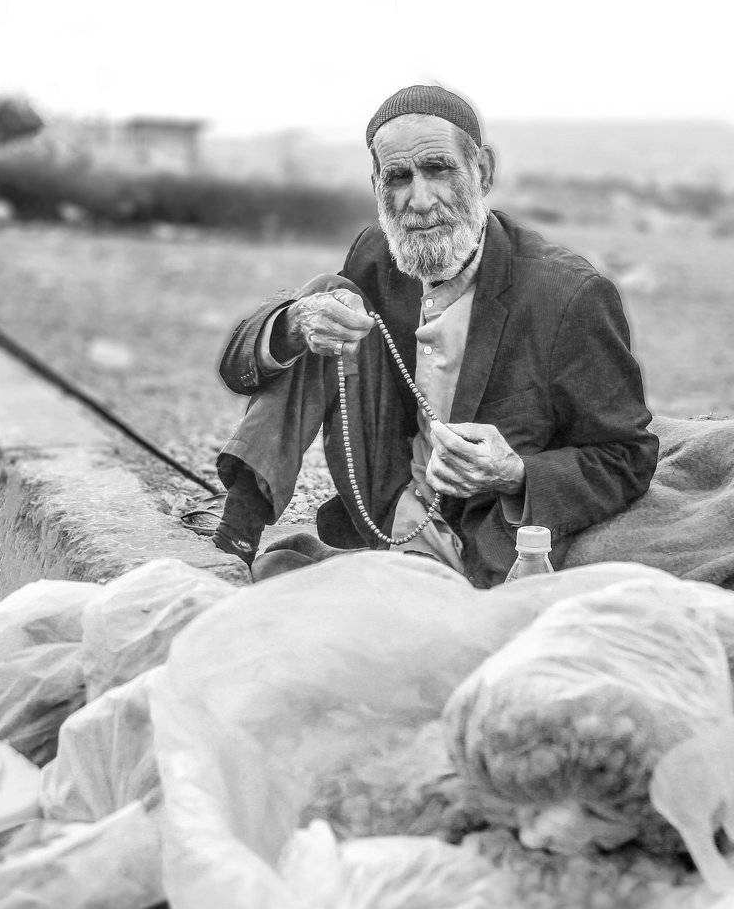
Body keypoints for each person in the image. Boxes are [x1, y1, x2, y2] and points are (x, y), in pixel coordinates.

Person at [212, 84, 657, 587]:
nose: (420, 201)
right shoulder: (377, 253)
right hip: (386, 505)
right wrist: (295, 324)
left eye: (439, 169)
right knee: (326, 301)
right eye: (398, 177)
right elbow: (239, 371)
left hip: (483, 542)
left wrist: (514, 472)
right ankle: (235, 539)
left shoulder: (568, 293)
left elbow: (627, 458)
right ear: (376, 184)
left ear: (482, 171)